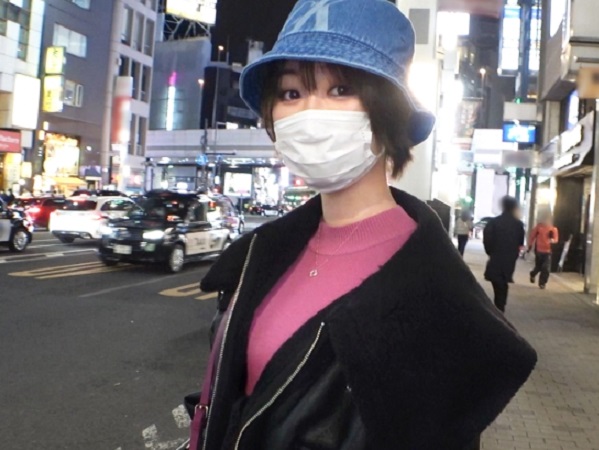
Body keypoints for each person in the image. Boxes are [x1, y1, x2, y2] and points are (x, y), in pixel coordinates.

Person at [186, 2, 537, 449]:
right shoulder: (259, 254)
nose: (309, 112)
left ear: (387, 111)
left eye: (341, 89)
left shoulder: (438, 296)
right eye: (291, 93)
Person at [483, 196, 526, 312]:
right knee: (503, 282)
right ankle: (500, 306)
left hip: (496, 257)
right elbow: (520, 242)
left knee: (497, 282)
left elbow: (487, 240)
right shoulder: (518, 225)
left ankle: (499, 306)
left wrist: (490, 252)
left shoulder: (493, 223)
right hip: (509, 258)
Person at [528, 215, 559, 289]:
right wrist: (530, 245)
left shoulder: (553, 229)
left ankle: (542, 283)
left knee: (546, 268)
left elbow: (556, 239)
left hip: (548, 251)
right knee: (538, 267)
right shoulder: (539, 227)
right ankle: (533, 274)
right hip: (539, 250)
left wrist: (552, 240)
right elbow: (532, 236)